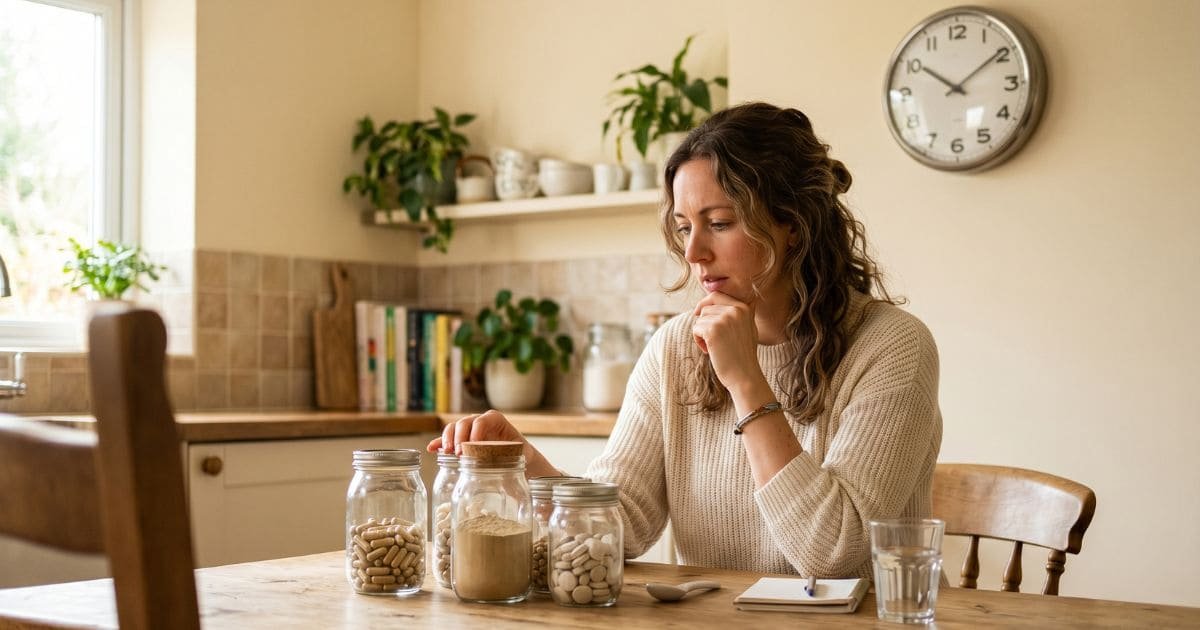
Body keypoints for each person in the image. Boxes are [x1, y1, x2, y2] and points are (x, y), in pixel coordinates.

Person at [427, 102, 942, 579]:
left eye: (719, 223)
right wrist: (526, 466)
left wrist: (745, 379)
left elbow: (835, 555)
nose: (694, 251)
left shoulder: (891, 346)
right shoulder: (675, 347)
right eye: (683, 227)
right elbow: (623, 521)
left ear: (792, 225)